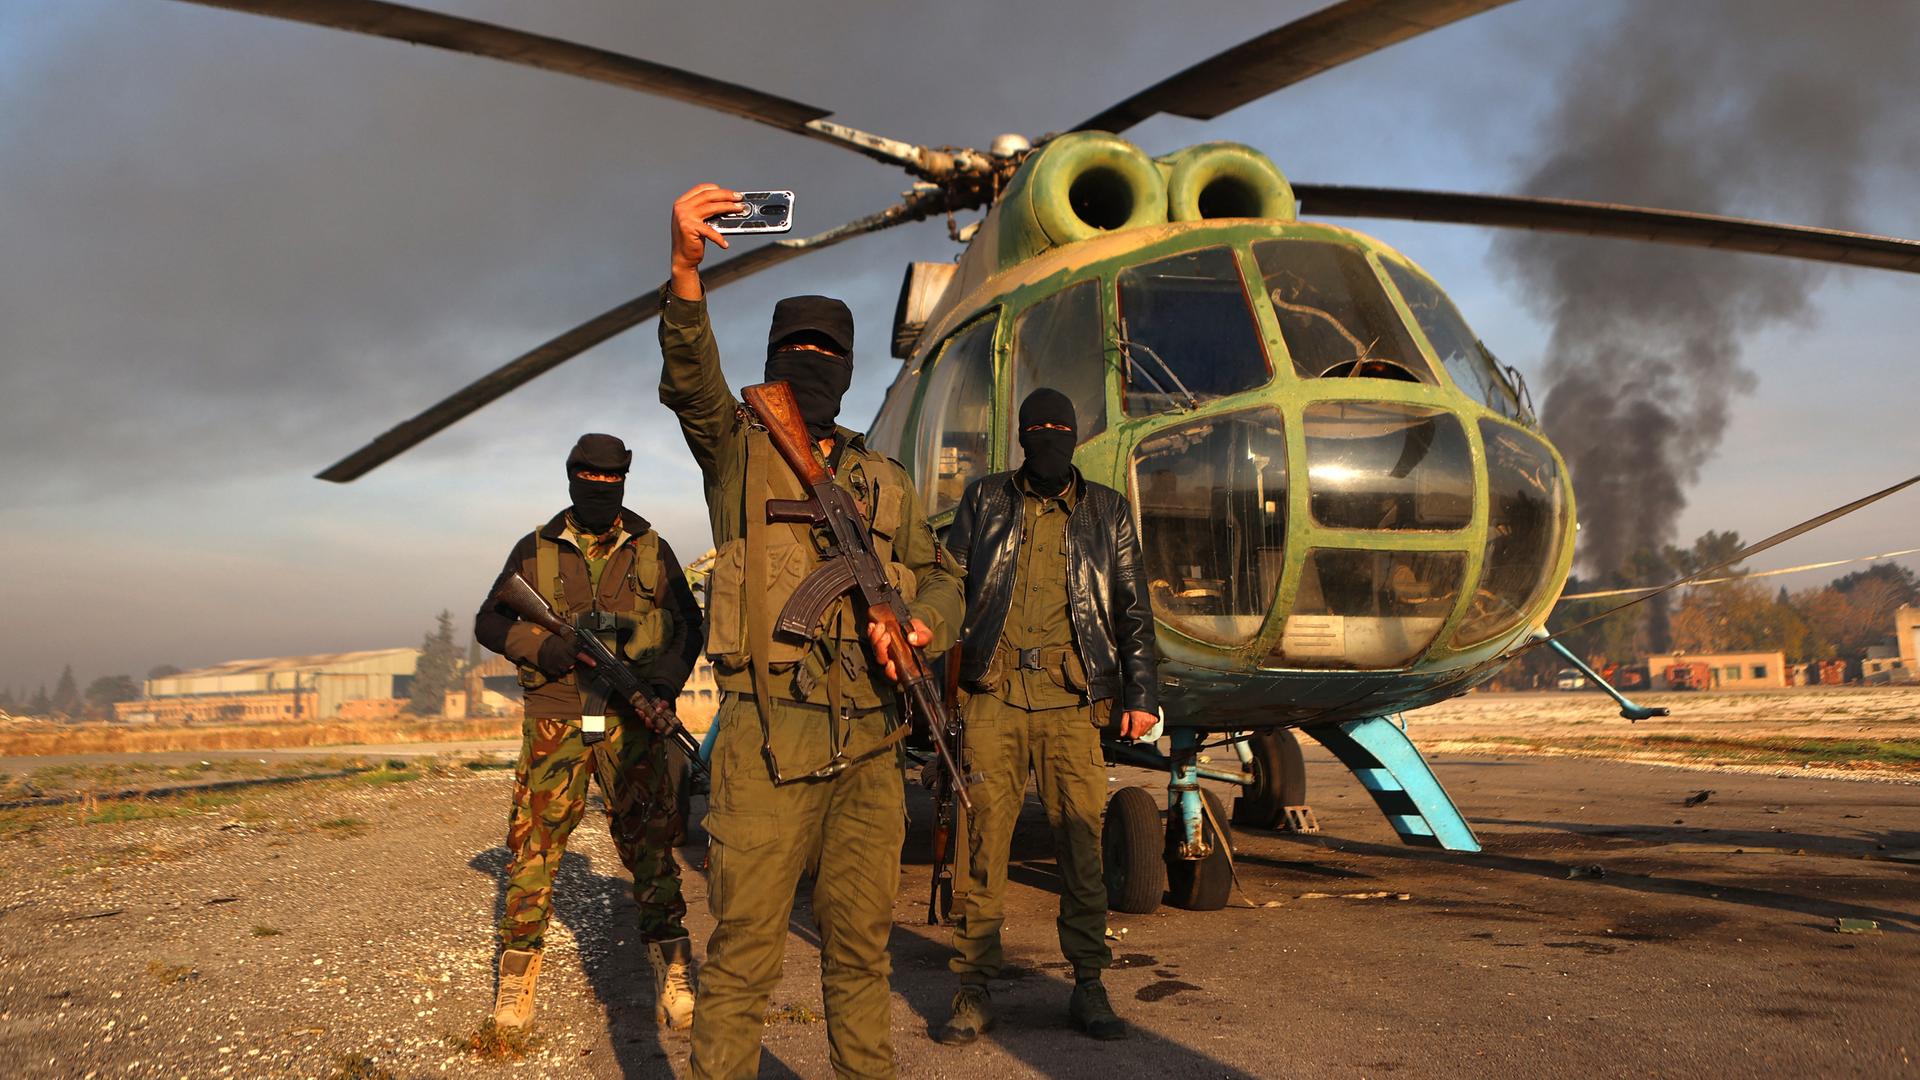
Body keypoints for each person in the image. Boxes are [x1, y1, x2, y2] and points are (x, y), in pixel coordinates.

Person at [657, 183, 964, 1080]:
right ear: (773, 359)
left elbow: (945, 576)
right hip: (763, 737)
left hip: (872, 741)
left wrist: (916, 623)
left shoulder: (887, 480)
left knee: (862, 957)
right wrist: (684, 272)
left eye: (829, 352)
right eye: (796, 350)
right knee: (746, 954)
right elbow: (690, 383)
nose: (812, 363)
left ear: (851, 366)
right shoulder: (735, 448)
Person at [937, 388, 1160, 1044]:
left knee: (1083, 848)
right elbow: (948, 587)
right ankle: (972, 991)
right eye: (1038, 429)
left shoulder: (1108, 512)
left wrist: (1141, 696)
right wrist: (930, 658)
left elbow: (1133, 611)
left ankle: (1089, 986)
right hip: (992, 698)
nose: (1049, 439)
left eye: (1060, 429)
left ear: (1075, 436)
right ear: (1022, 435)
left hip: (1072, 704)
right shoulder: (985, 500)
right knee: (983, 851)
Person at [473, 433, 705, 1031]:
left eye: (611, 479)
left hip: (631, 719)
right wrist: (546, 646)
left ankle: (673, 971)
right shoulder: (536, 549)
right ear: (571, 477)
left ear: (624, 481)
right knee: (534, 849)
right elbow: (490, 620)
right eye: (589, 477)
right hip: (555, 717)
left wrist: (661, 687)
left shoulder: (653, 549)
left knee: (653, 845)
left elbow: (688, 626)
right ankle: (516, 979)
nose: (600, 487)